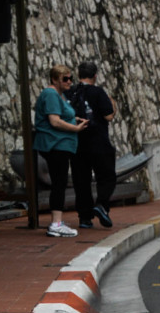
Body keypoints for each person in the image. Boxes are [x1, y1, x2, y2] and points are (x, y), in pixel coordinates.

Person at [33, 65, 88, 238]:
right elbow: (54, 121)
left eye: (70, 78)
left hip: (60, 145)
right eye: (65, 79)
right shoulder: (50, 94)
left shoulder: (59, 95)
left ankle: (57, 221)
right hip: (55, 144)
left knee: (60, 182)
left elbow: (61, 115)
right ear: (55, 79)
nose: (69, 82)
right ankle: (56, 223)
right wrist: (74, 128)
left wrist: (73, 118)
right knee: (59, 182)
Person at [68, 61, 117, 229]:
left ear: (79, 74)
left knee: (81, 180)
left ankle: (84, 217)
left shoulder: (71, 91)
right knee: (107, 176)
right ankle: (101, 204)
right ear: (95, 75)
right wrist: (113, 104)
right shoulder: (97, 92)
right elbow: (109, 116)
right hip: (98, 142)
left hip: (77, 142)